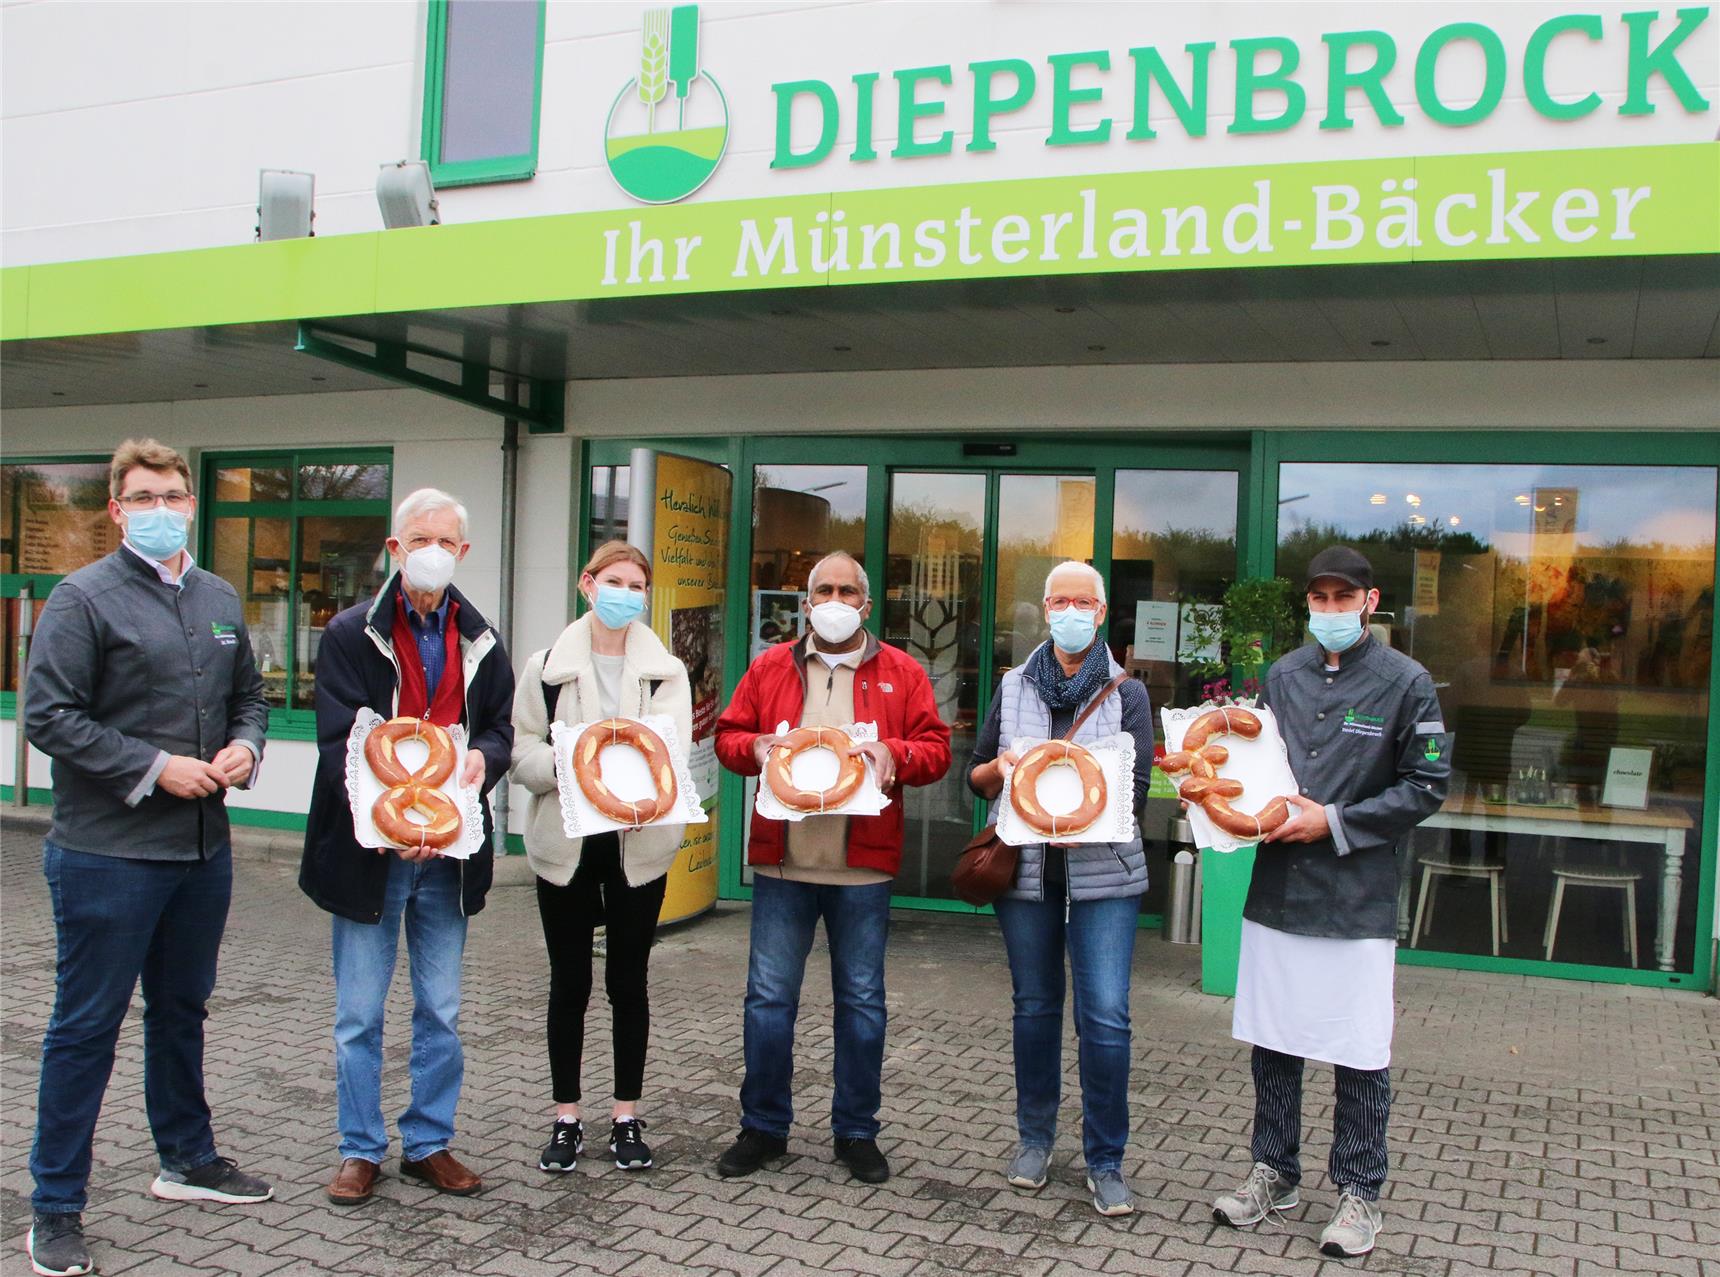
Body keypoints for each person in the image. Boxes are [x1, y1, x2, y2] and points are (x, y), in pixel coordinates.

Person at [23, 438, 273, 1277]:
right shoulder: (80, 598)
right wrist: (152, 766)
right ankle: (55, 1206)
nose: (162, 508)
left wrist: (245, 746)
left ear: (193, 503)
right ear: (115, 508)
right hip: (108, 854)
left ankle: (187, 1158)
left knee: (182, 1010)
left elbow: (251, 695)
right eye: (144, 496)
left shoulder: (218, 594)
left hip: (202, 852)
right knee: (86, 1028)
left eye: (174, 494)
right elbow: (48, 716)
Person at [1212, 546, 1450, 1259]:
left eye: (1343, 598)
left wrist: (1336, 821)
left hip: (1358, 896)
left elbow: (1427, 785)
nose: (1331, 610)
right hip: (1281, 888)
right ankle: (1273, 1171)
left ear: (1370, 602)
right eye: (1320, 598)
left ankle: (1359, 1190)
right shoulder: (1282, 675)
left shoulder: (1408, 682)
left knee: (1358, 1048)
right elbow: (1260, 767)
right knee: (1275, 1041)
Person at [299, 488, 514, 1207]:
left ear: (463, 553)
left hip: (449, 858)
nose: (432, 551)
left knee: (442, 1010)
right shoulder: (350, 634)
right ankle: (359, 1149)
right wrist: (397, 825)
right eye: (418, 539)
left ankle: (428, 1141)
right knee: (359, 1012)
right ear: (394, 549)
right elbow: (341, 747)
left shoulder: (481, 641)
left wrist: (484, 755)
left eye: (445, 541)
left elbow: (499, 730)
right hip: (369, 856)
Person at [711, 551, 951, 1184]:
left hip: (863, 869)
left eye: (849, 591)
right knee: (768, 1001)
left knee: (863, 1002)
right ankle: (763, 1128)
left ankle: (856, 1132)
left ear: (866, 605)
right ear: (807, 603)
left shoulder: (902, 670)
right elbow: (728, 737)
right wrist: (758, 745)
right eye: (825, 590)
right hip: (784, 866)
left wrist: (892, 752)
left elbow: (936, 750)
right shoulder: (769, 667)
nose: (836, 600)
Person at [967, 561, 1154, 1218]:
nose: (1071, 611)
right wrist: (1001, 766)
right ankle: (1034, 1139)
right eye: (1060, 600)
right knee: (1035, 1009)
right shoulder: (1014, 684)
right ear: (1045, 607)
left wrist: (1090, 823)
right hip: (1025, 874)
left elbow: (1134, 793)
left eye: (1084, 601)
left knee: (1105, 1017)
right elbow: (978, 777)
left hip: (1104, 879)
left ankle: (1106, 1159)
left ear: (1101, 613)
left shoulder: (1128, 692)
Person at [510, 541, 692, 1174]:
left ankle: (625, 1116)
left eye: (637, 585)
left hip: (638, 849)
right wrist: (568, 767)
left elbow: (668, 753)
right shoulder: (543, 668)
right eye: (614, 581)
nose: (626, 594)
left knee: (628, 983)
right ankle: (566, 1118)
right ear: (587, 584)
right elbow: (520, 754)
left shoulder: (667, 671)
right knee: (569, 983)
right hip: (566, 848)